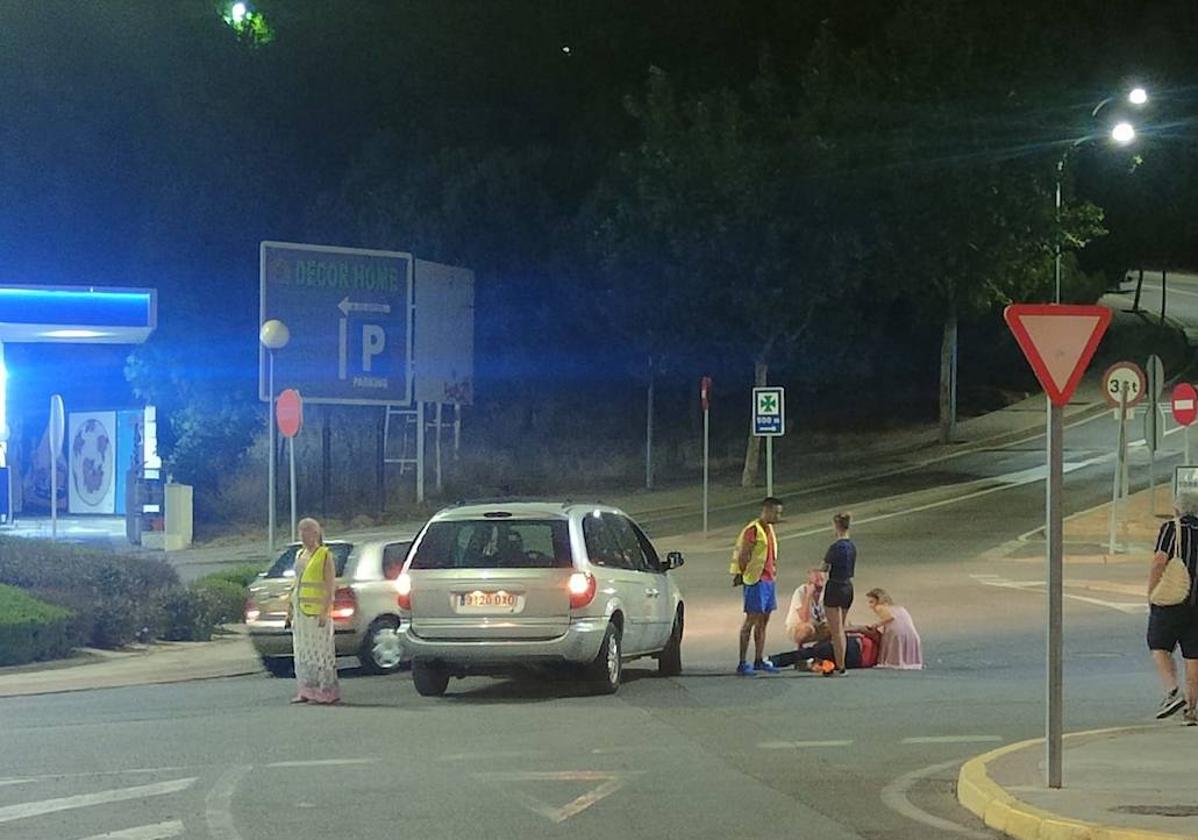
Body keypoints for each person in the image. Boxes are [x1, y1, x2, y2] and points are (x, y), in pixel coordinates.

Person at [1148, 492, 1198, 725]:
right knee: (1194, 655)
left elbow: (1160, 560)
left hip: (1173, 599)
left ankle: (1172, 691)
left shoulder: (1172, 528)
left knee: (1158, 644)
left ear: (1177, 509)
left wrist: (1152, 591)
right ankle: (1192, 711)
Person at [288, 517, 341, 705]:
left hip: (317, 611)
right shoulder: (300, 554)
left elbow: (329, 585)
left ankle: (326, 690)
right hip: (300, 610)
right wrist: (290, 610)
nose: (302, 535)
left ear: (316, 533)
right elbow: (296, 583)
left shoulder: (324, 555)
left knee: (321, 651)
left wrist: (325, 611)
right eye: (300, 531)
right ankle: (306, 689)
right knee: (302, 650)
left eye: (306, 531)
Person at [731, 497, 784, 675]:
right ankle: (742, 662)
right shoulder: (753, 529)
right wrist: (741, 574)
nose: (778, 516)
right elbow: (744, 554)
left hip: (769, 580)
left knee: (763, 622)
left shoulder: (769, 529)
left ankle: (759, 659)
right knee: (751, 621)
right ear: (766, 510)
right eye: (776, 512)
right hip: (756, 580)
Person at [820, 512, 856, 676]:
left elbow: (824, 568)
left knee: (836, 631)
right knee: (841, 626)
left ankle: (840, 665)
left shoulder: (835, 547)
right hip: (848, 586)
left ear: (836, 526)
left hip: (834, 587)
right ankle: (841, 662)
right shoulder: (852, 547)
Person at [861, 588, 923, 670]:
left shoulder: (879, 607)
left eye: (871, 602)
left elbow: (890, 618)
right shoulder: (898, 608)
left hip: (896, 633)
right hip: (911, 633)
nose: (870, 606)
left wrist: (876, 625)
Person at [784, 568, 829, 646]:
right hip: (797, 627)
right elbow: (804, 618)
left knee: (833, 628)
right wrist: (808, 596)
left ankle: (821, 651)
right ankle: (800, 648)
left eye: (822, 580)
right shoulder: (800, 592)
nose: (820, 584)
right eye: (817, 581)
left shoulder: (826, 593)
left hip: (817, 625)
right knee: (808, 629)